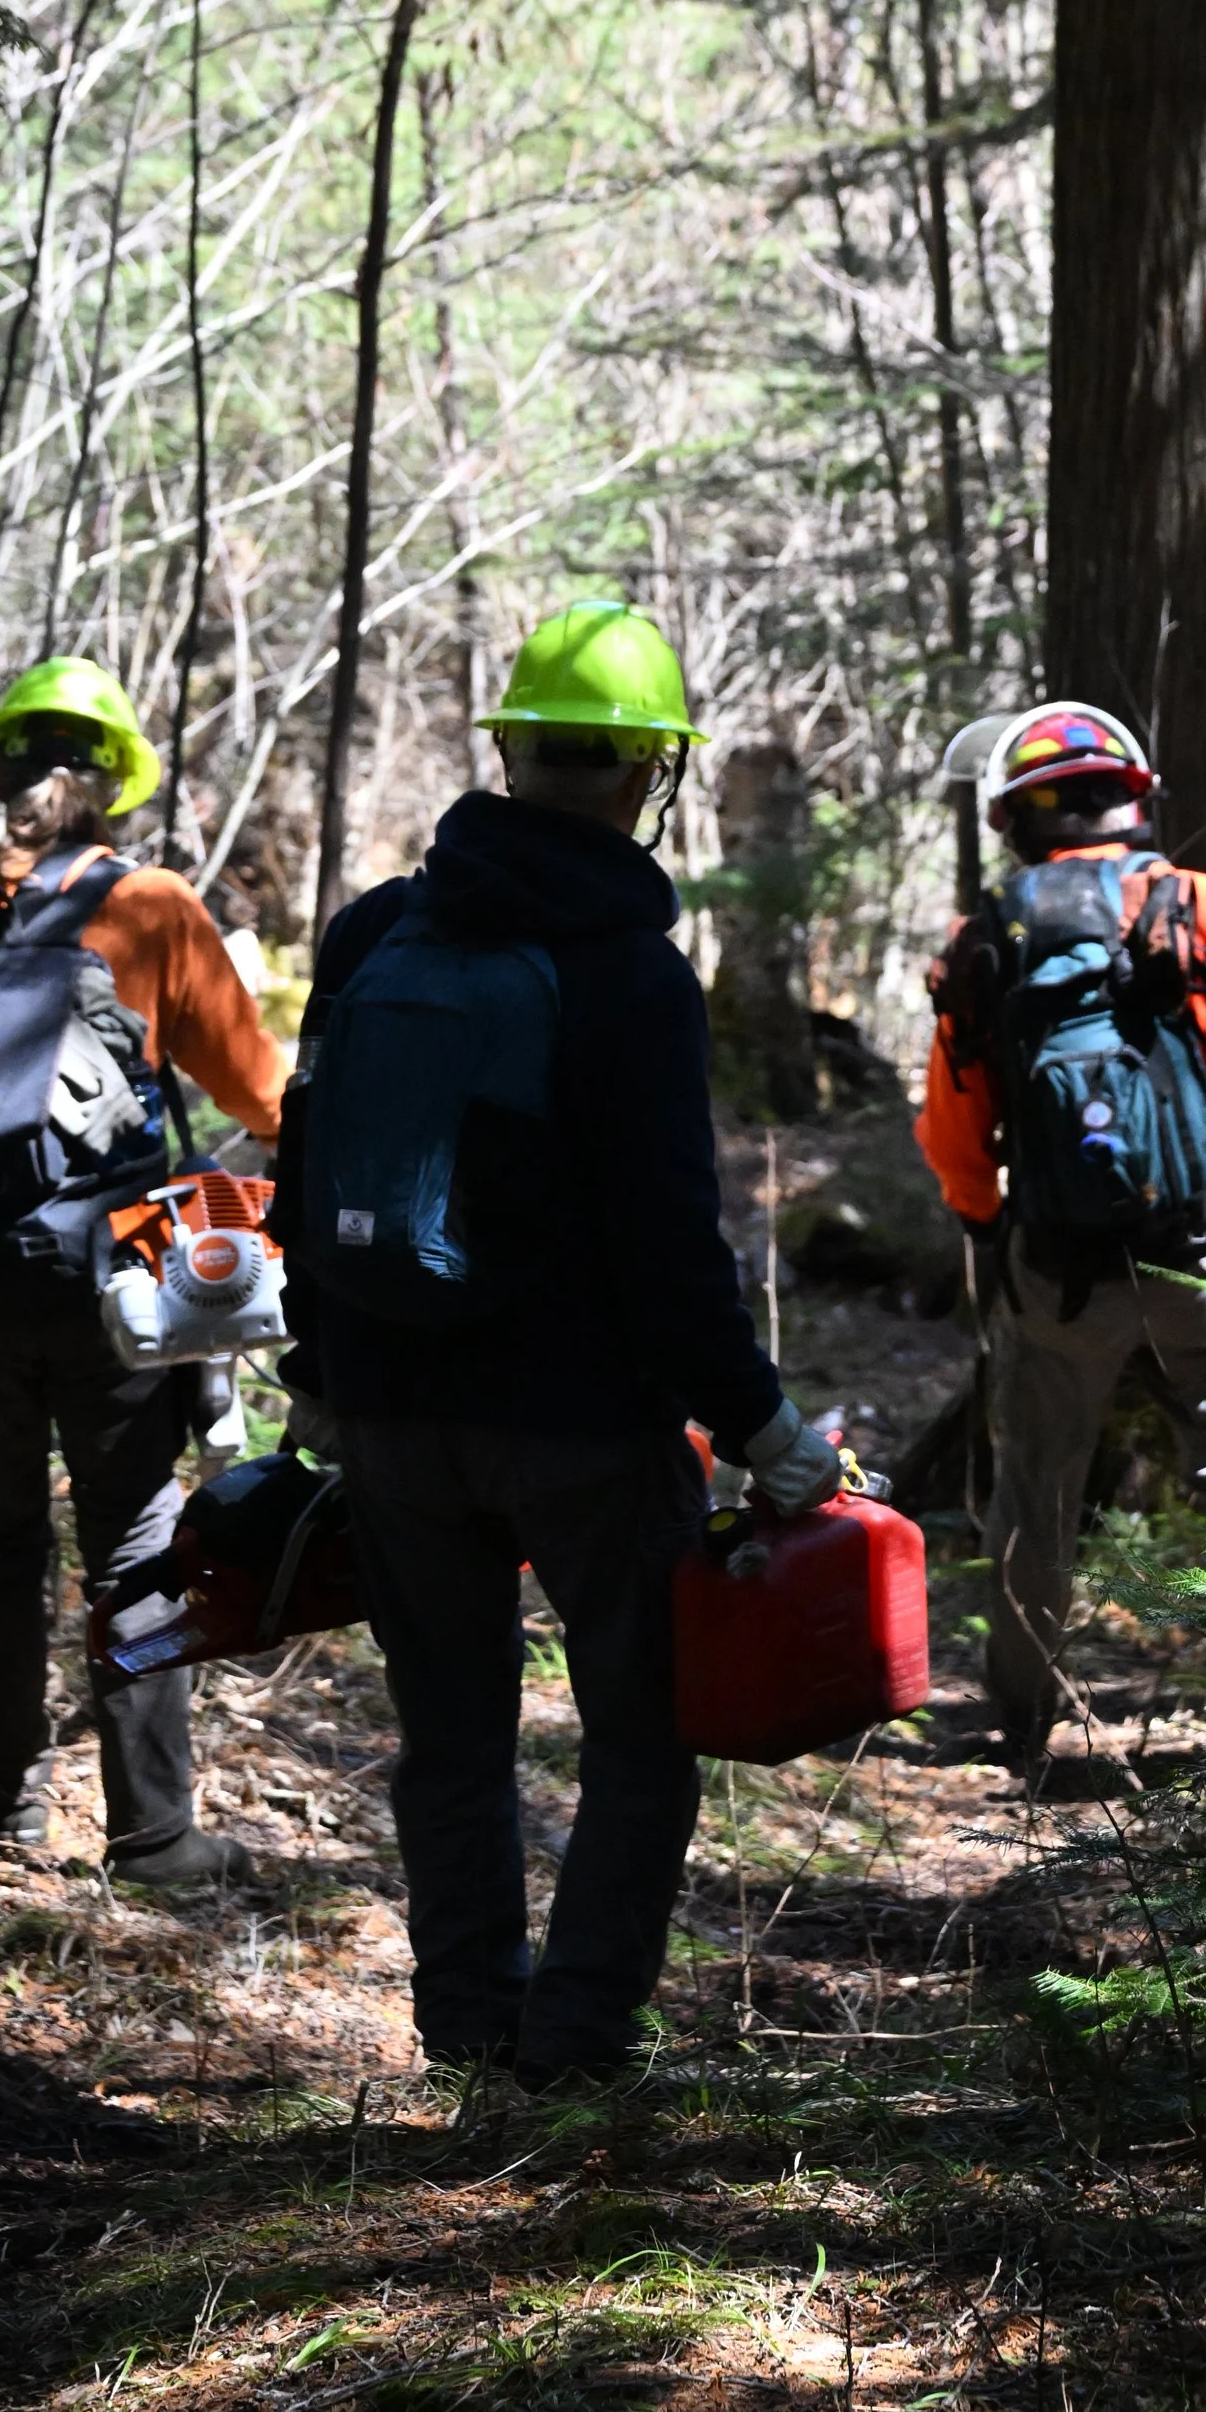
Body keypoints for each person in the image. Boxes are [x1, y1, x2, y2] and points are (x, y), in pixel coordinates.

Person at [280, 598, 842, 2093]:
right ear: (652, 771)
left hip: (392, 1408)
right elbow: (668, 1242)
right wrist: (767, 1430)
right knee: (638, 1742)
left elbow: (300, 1170)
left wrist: (319, 1375)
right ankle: (578, 2046)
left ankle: (469, 2028)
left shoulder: (374, 932)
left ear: (514, 751)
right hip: (586, 1430)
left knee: (449, 1739)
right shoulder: (633, 973)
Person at [0, 657, 288, 1879]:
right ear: (113, 781)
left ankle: (4, 1800)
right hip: (117, 1295)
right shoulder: (152, 906)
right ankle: (154, 1836)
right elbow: (261, 1095)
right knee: (136, 1546)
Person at [916, 699, 1206, 1768]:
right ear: (1136, 799)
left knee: (1033, 1494)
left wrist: (983, 1226)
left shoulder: (983, 938)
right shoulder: (1194, 904)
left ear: (1014, 820)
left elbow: (953, 1128)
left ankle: (1018, 1722)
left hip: (1055, 1274)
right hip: (1203, 1252)